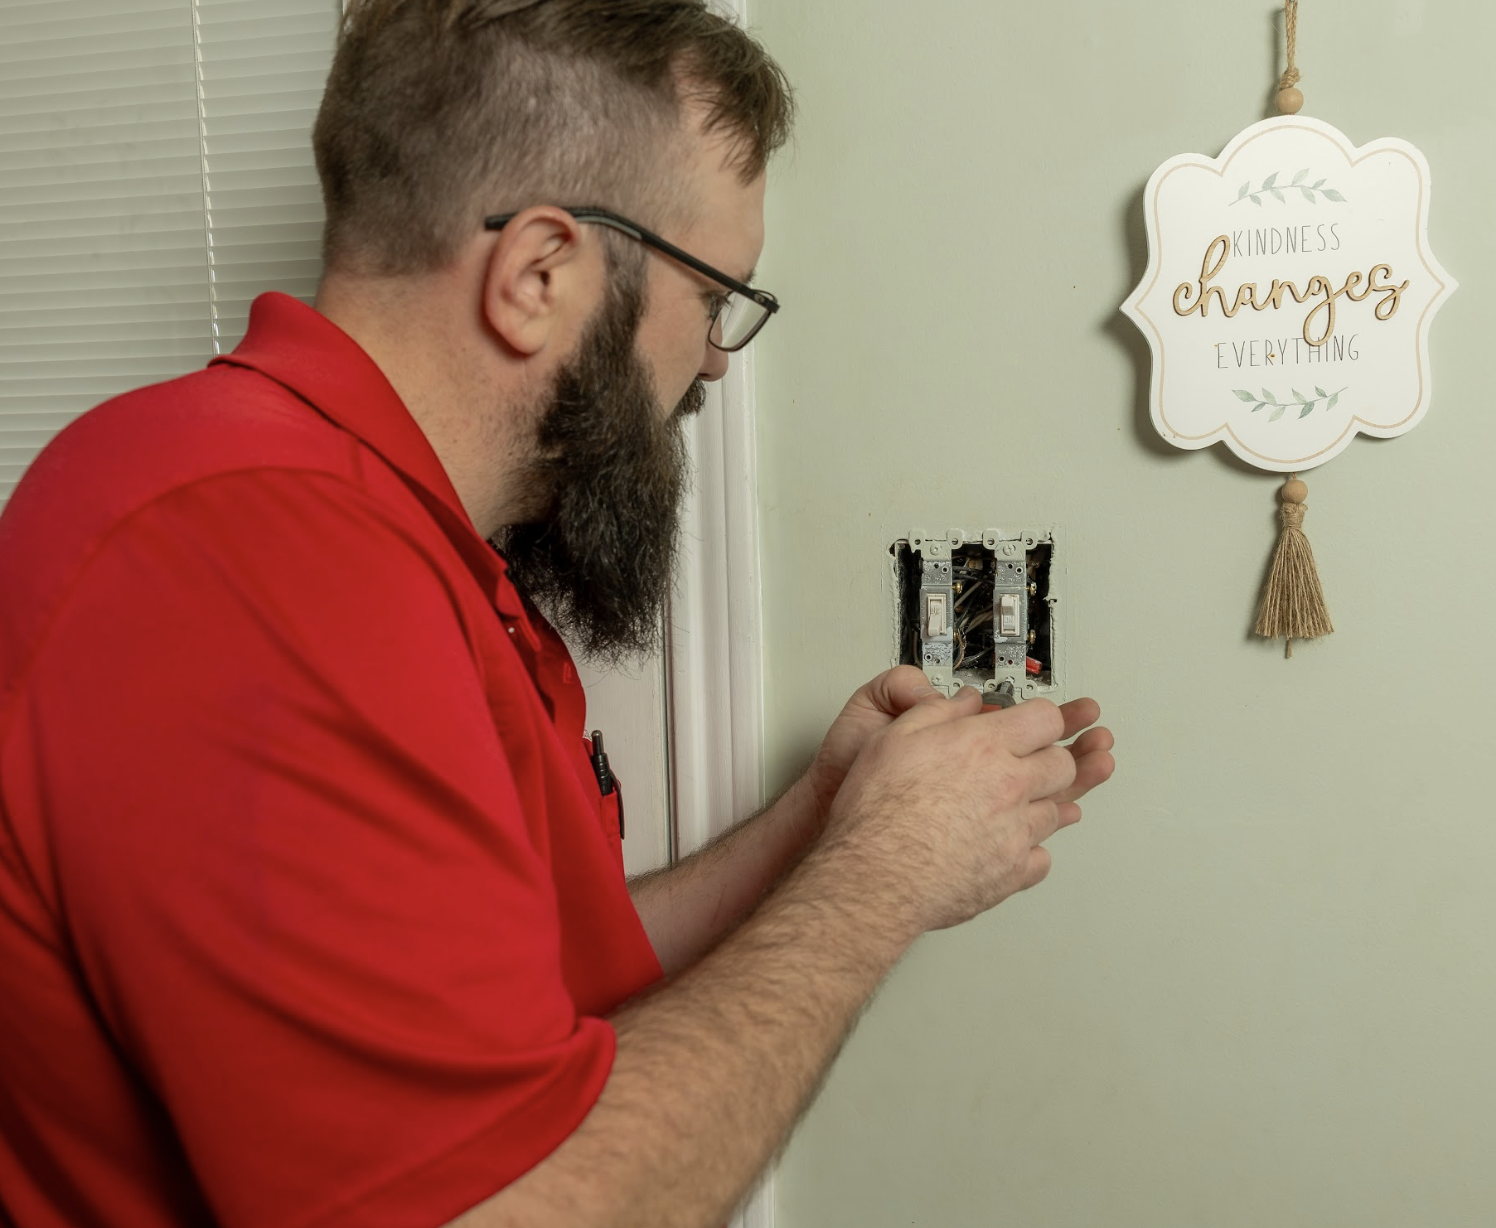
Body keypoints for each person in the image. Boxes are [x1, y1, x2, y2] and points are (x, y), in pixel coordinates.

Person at [0, 1, 1115, 1226]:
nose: (713, 361)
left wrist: (822, 823)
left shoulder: (412, 552)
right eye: (715, 296)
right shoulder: (247, 551)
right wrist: (883, 873)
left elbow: (529, 998)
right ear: (537, 275)